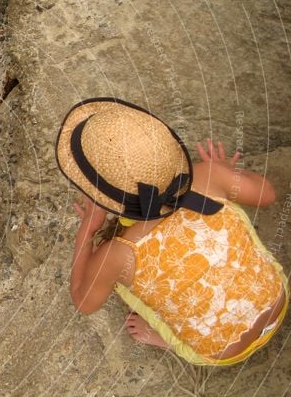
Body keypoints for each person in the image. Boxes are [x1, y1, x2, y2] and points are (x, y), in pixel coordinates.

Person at [56, 97, 288, 365]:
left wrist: (88, 228)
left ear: (104, 198)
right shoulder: (207, 176)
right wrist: (225, 172)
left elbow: (83, 301)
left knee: (126, 284)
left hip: (223, 353)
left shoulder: (118, 254)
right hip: (277, 300)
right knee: (227, 210)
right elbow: (267, 194)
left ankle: (163, 338)